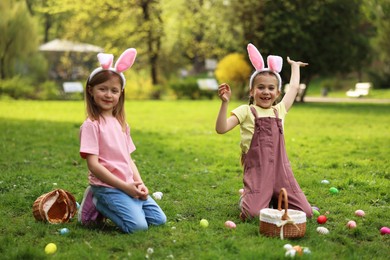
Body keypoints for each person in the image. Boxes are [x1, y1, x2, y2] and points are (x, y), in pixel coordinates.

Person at [215, 43, 313, 220]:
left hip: (281, 172)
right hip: (258, 173)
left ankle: (273, 198)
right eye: (260, 87)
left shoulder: (280, 110)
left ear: (277, 92)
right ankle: (249, 197)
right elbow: (221, 129)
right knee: (252, 214)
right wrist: (225, 103)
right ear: (252, 91)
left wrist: (295, 67)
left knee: (305, 213)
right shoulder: (246, 111)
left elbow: (294, 89)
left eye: (270, 88)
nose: (266, 92)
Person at [78, 48, 166, 233]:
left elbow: (128, 159)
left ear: (120, 94)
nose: (108, 95)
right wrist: (125, 187)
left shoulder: (122, 124)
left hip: (128, 185)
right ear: (91, 91)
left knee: (159, 220)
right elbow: (93, 165)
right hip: (107, 186)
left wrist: (139, 184)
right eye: (102, 89)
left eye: (114, 90)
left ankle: (128, 204)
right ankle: (95, 200)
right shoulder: (91, 125)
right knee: (138, 227)